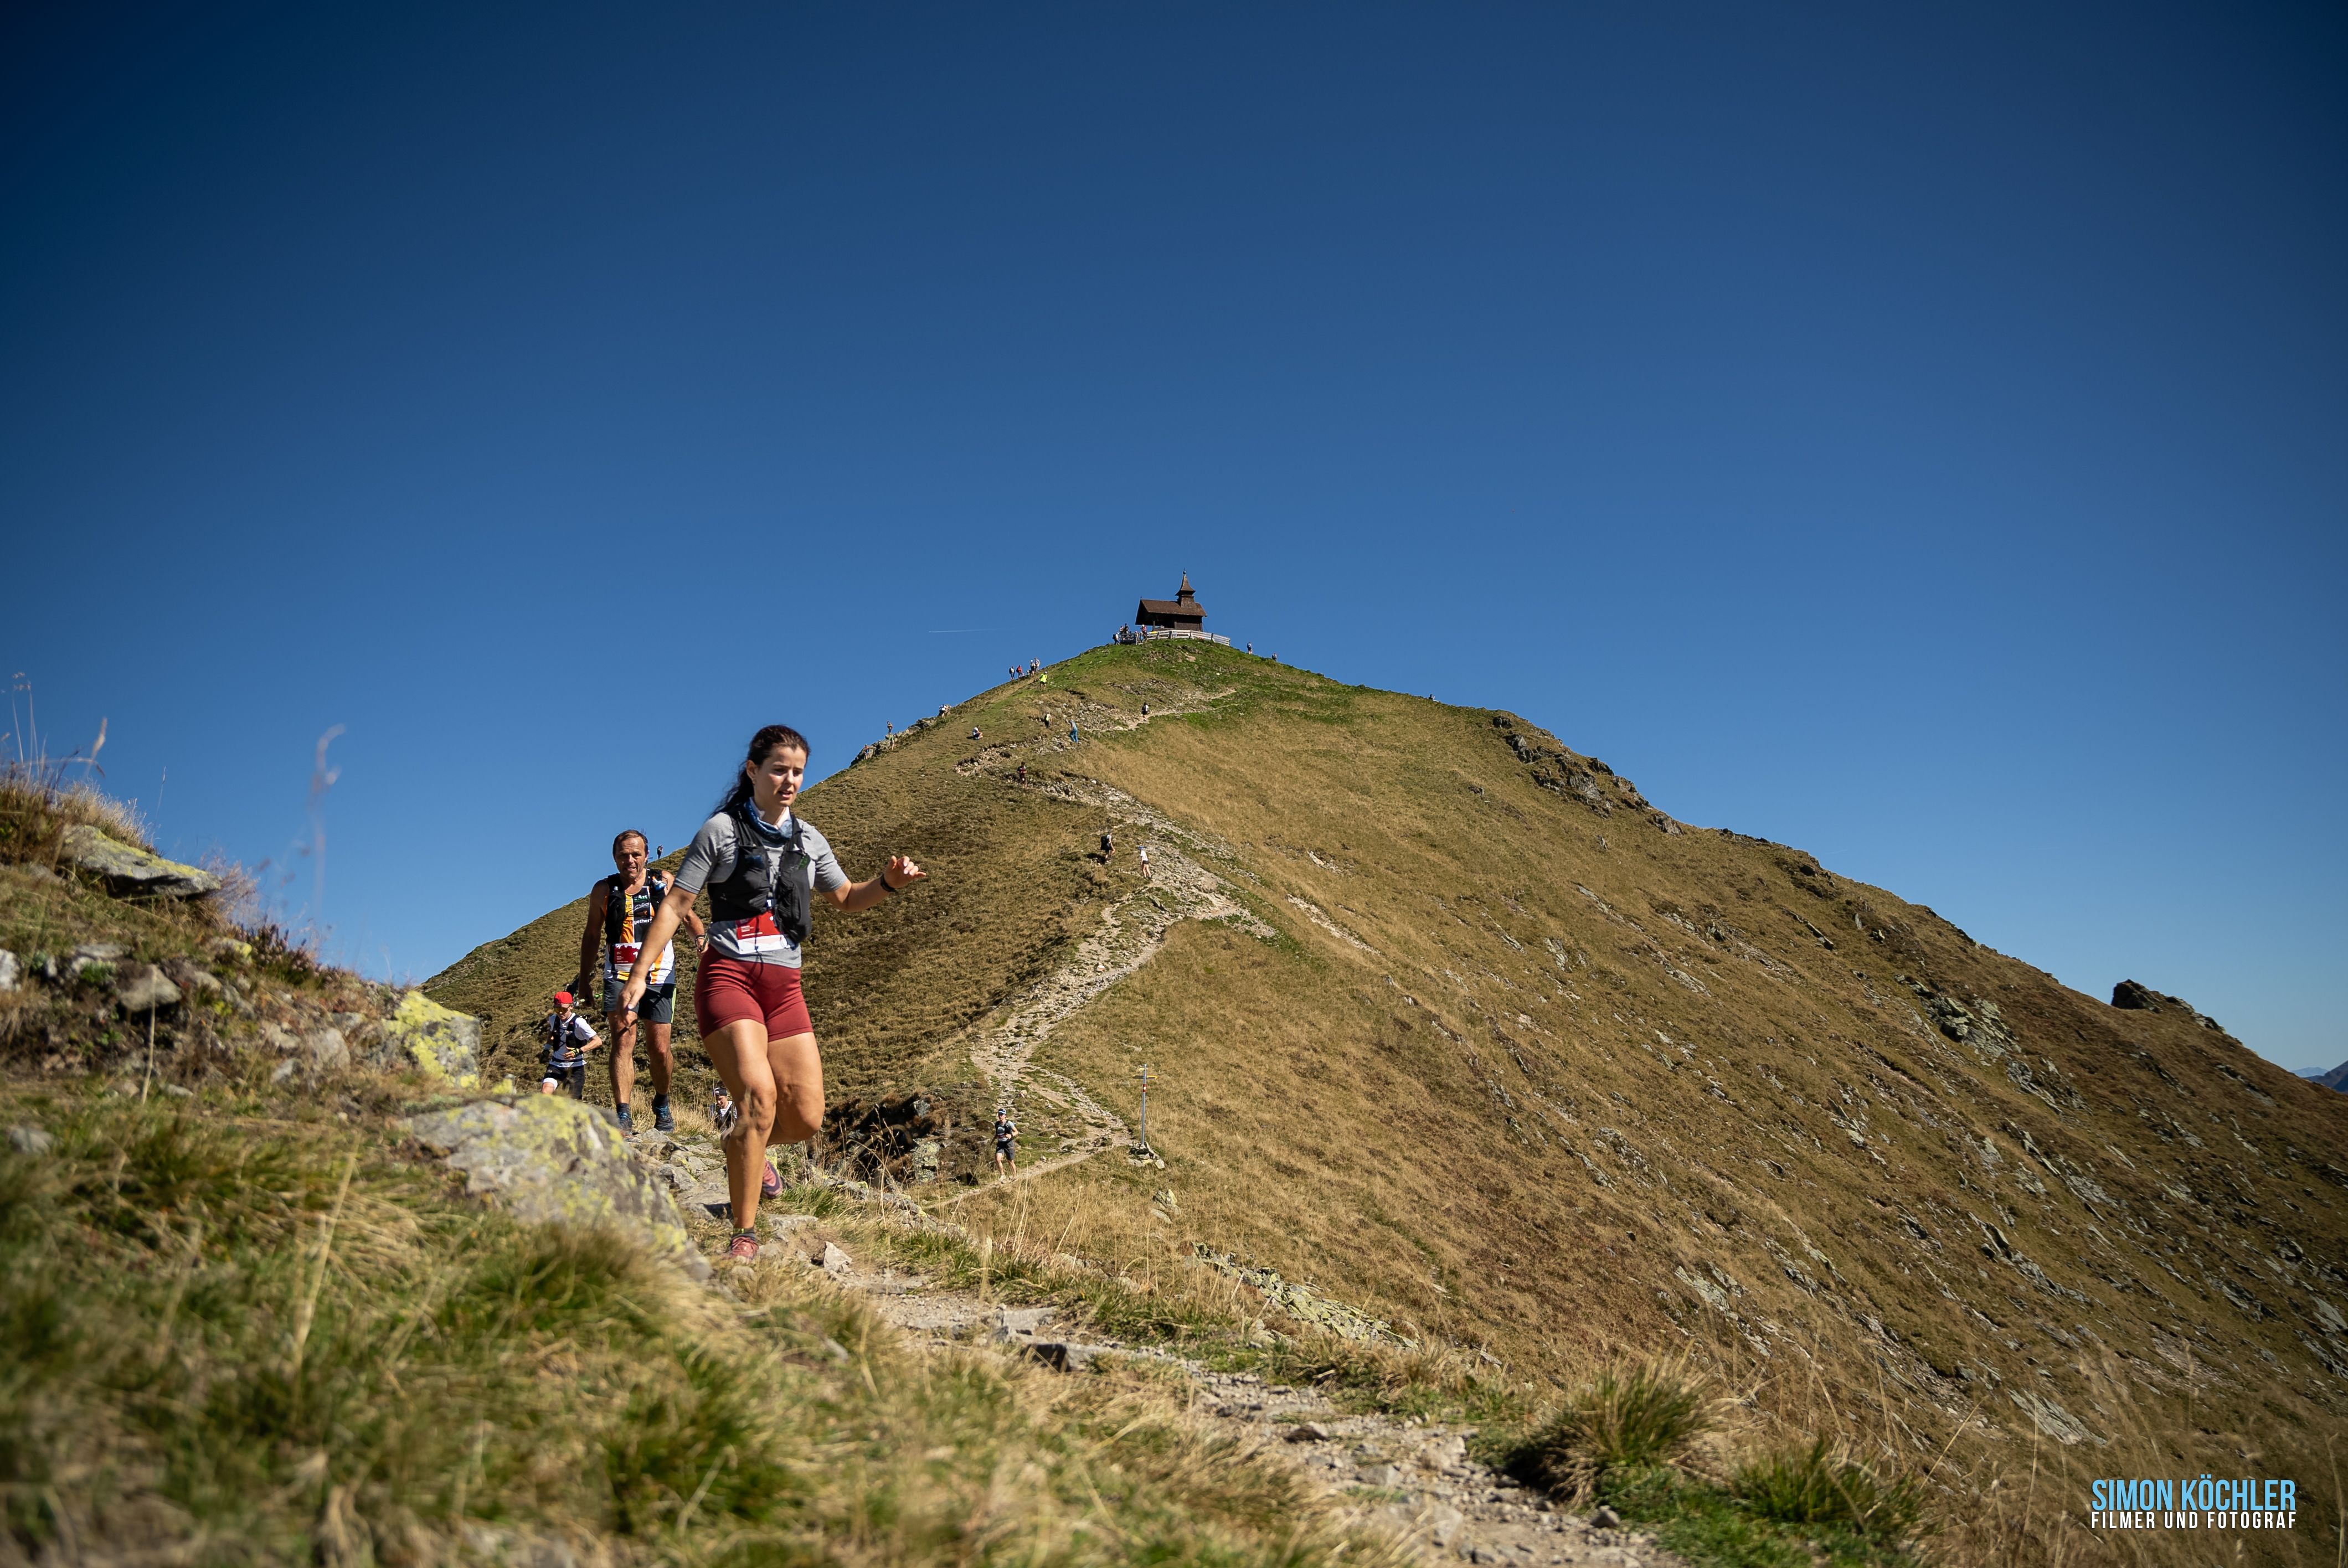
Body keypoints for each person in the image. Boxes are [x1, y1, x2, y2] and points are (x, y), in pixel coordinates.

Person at [620, 724, 926, 1263]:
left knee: (805, 1117)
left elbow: (847, 898)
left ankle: (744, 1144)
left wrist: (888, 883)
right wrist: (642, 973)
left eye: (798, 771)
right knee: (759, 1099)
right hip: (729, 976)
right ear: (754, 772)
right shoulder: (721, 831)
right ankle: (744, 1233)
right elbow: (674, 905)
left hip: (784, 987)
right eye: (779, 769)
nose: (789, 780)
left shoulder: (808, 840)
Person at [575, 830, 705, 1132]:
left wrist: (700, 938)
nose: (630, 861)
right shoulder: (604, 890)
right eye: (623, 855)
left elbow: (688, 917)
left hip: (660, 973)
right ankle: (623, 1113)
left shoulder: (663, 883)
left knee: (659, 1048)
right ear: (614, 857)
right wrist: (585, 980)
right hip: (619, 974)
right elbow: (592, 935)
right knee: (623, 1039)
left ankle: (661, 1102)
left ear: (647, 855)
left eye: (636, 854)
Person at [541, 991, 598, 1098]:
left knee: (573, 1101)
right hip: (556, 1065)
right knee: (545, 1092)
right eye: (557, 1009)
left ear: (571, 1007)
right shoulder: (554, 1019)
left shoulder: (579, 1023)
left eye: (564, 1009)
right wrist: (547, 1049)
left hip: (575, 1067)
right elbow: (552, 1034)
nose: (561, 1012)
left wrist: (579, 1050)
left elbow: (597, 1041)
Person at [993, 1107, 1018, 1177]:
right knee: (998, 1159)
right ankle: (1002, 1175)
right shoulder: (997, 1124)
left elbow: (1016, 1132)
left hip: (1008, 1143)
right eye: (999, 1114)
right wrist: (993, 1141)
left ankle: (1014, 1176)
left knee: (1010, 1161)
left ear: (1005, 1115)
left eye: (1002, 1114)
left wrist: (1011, 1135)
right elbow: (997, 1134)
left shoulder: (1009, 1123)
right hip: (1000, 1144)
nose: (1000, 1116)